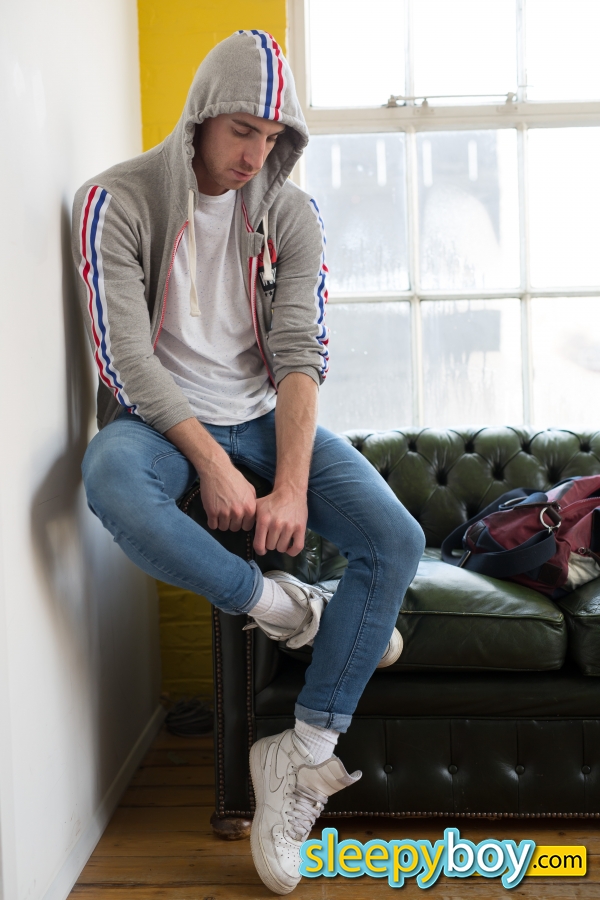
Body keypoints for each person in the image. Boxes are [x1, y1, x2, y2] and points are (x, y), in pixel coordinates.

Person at [72, 30, 425, 895]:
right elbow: (124, 357)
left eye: (271, 138)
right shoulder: (114, 201)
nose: (254, 156)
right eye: (241, 132)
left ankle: (301, 755)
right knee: (108, 478)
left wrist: (290, 485)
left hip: (264, 419)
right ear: (200, 116)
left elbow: (301, 352)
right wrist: (211, 463)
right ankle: (286, 607)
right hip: (156, 426)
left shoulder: (290, 214)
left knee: (396, 538)